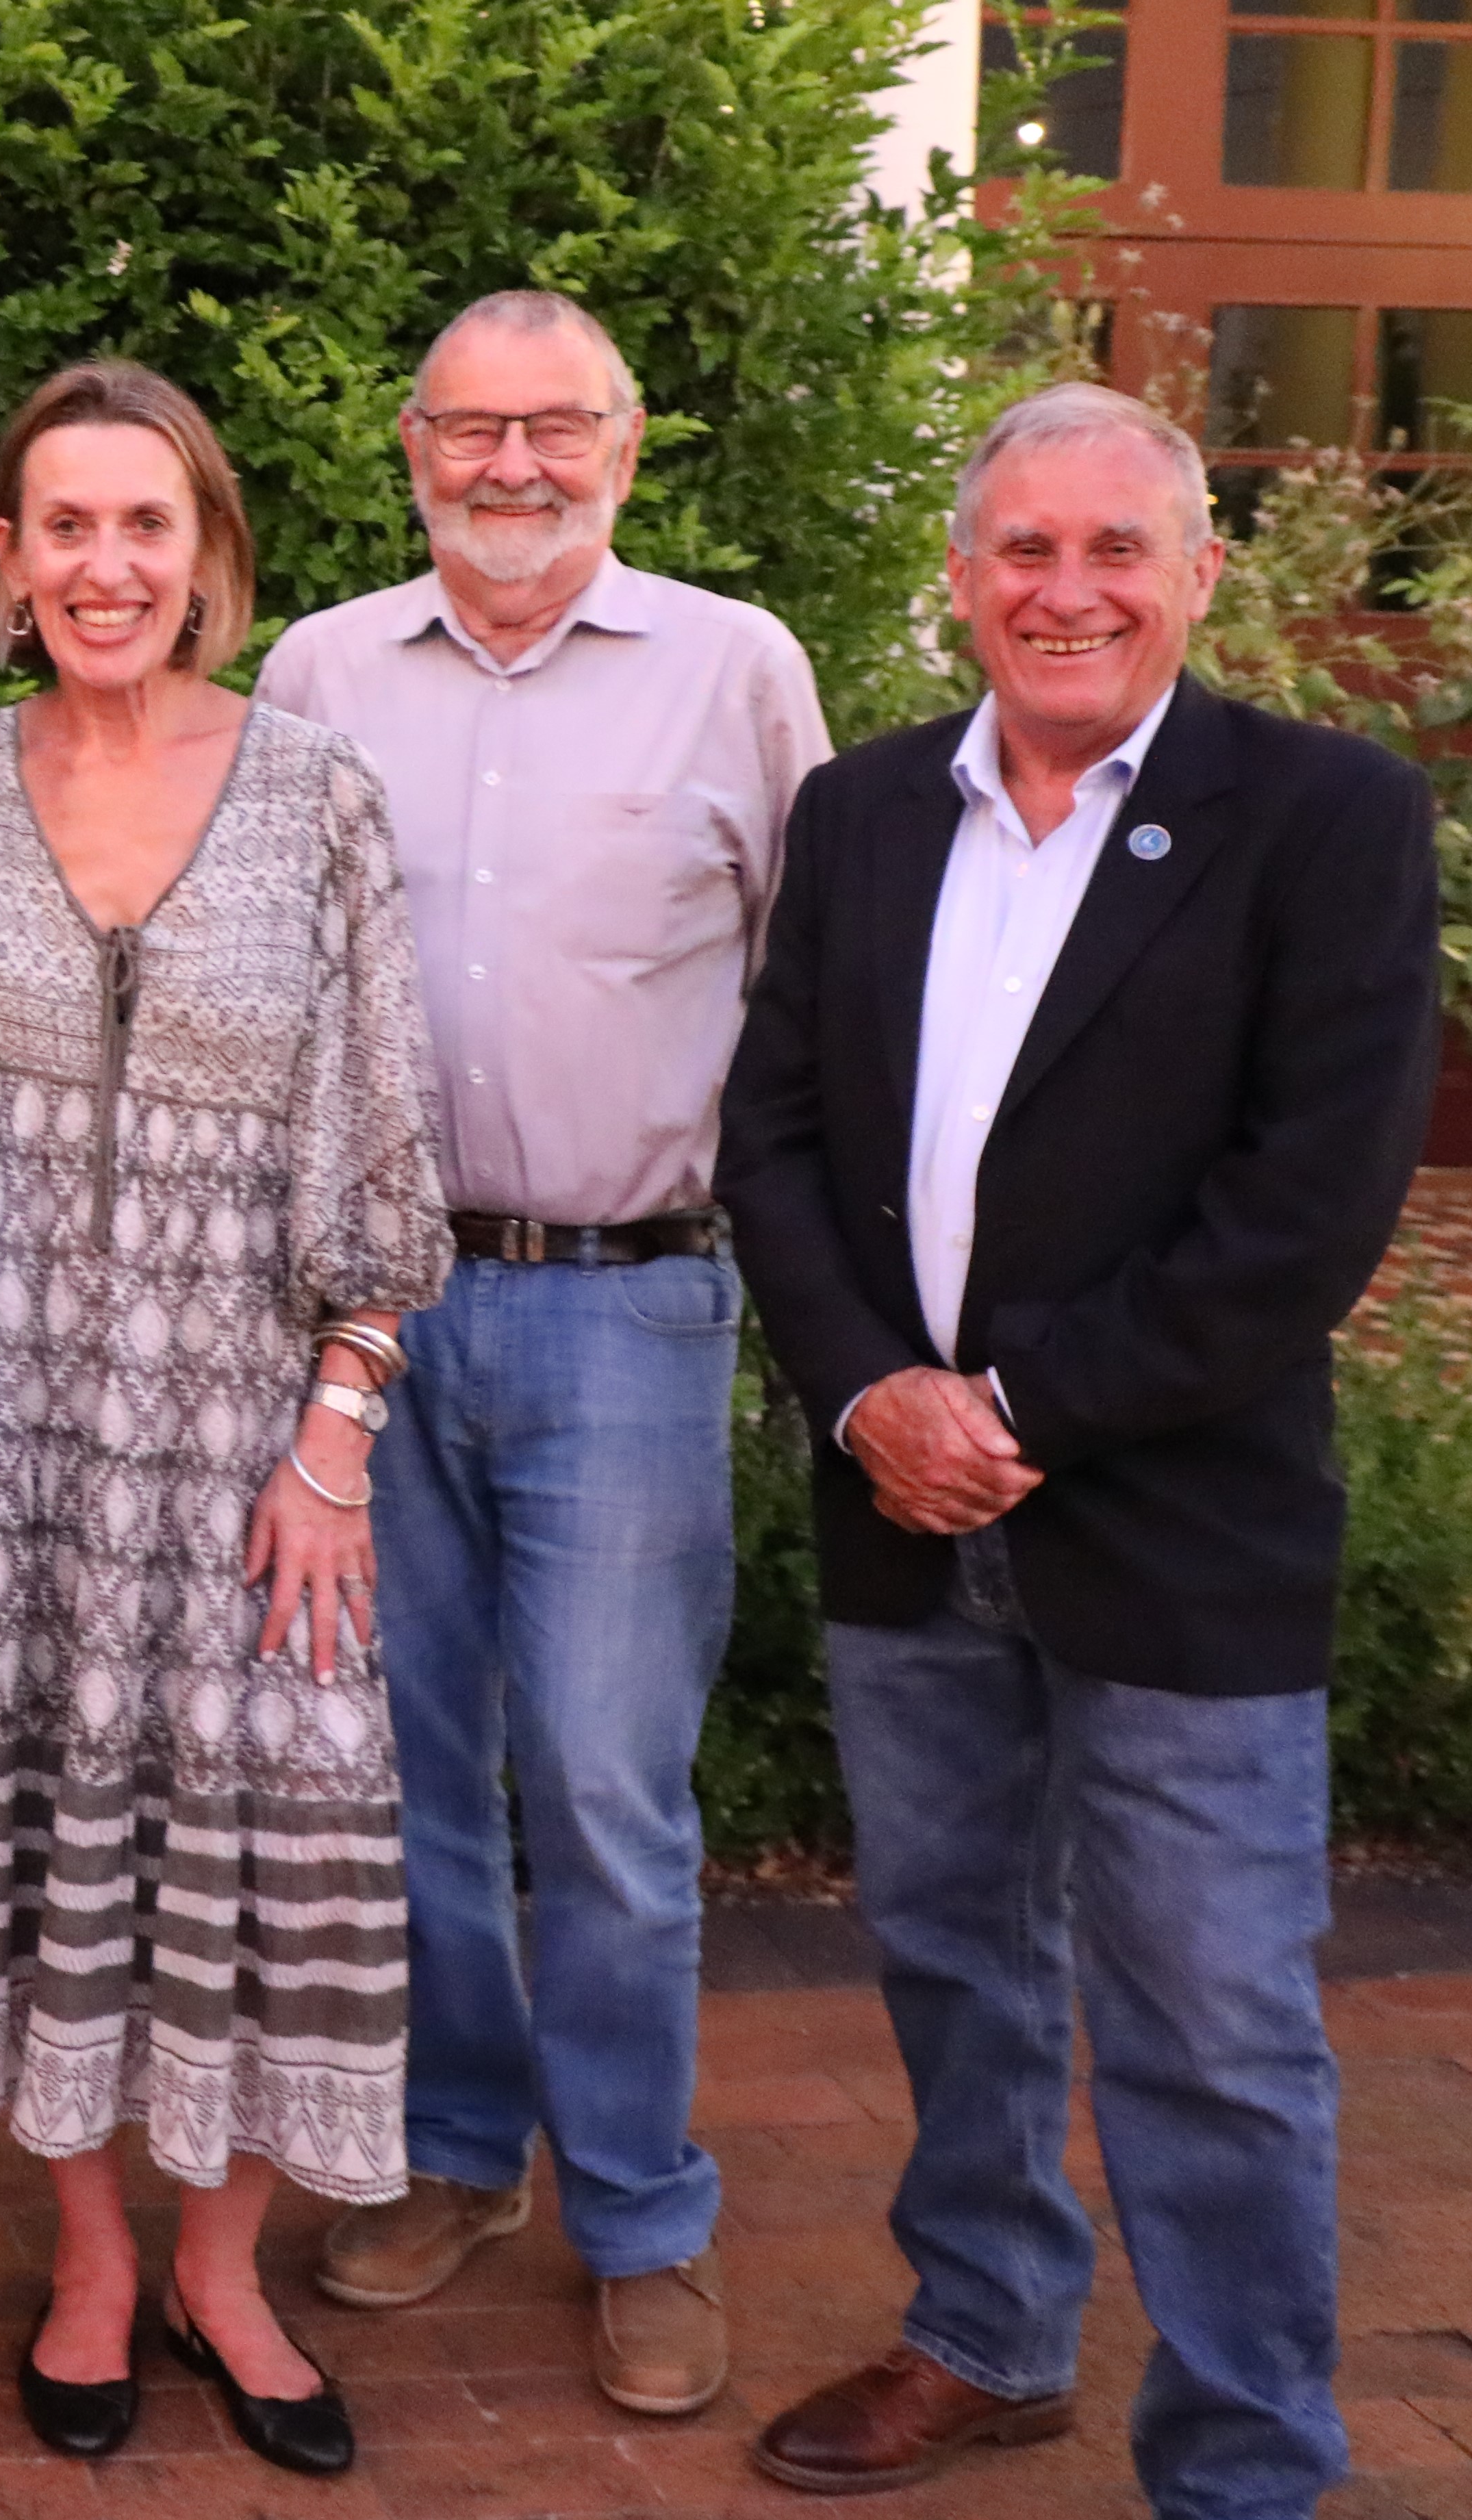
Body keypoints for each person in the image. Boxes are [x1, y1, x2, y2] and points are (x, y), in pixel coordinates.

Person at [718, 382, 1441, 2517]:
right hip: (899, 1518)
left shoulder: (1321, 817)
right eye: (1022, 548)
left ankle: (1240, 2457)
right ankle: (985, 2329)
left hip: (1174, 1528)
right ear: (959, 580)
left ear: (1196, 575)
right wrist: (870, 1397)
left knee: (1209, 2025)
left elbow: (1300, 1214)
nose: (1065, 589)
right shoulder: (857, 816)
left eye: (1114, 547)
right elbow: (768, 1140)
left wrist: (1006, 1411)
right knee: (954, 1959)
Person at [251, 289, 830, 2415]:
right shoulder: (314, 671)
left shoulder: (734, 667)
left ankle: (643, 2210)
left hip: (626, 1300)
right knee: (399, 1771)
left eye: (551, 427)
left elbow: (817, 990)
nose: (510, 464)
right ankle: (456, 2152)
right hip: (366, 1323)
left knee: (602, 1786)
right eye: (468, 428)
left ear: (627, 441)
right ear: (408, 446)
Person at [0, 360, 450, 2476]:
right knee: (45, 1836)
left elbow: (384, 1129)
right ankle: (94, 2259)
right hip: (9, 1427)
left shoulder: (315, 788)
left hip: (244, 1438)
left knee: (279, 1819)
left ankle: (226, 2267)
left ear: (207, 553)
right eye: (63, 526)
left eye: (147, 525)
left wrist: (333, 1433)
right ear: (3, 564)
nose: (105, 565)